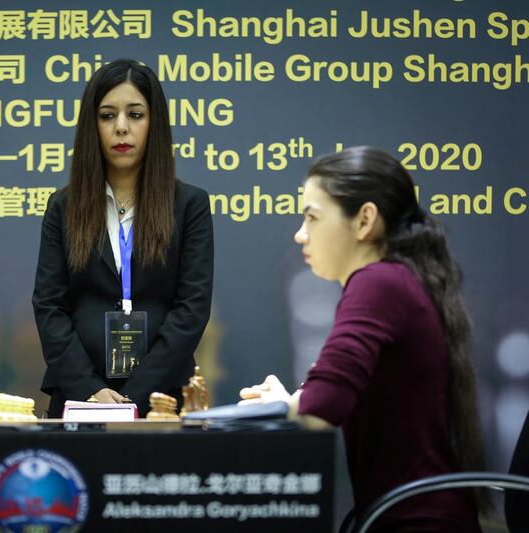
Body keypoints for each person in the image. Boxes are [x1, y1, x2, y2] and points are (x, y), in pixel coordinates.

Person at [239, 147, 487, 531]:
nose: (300, 233)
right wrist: (287, 402)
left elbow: (324, 405)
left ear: (364, 220)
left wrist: (285, 406)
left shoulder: (377, 283)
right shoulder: (397, 279)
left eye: (312, 217)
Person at [32, 59, 214, 418]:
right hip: (79, 398)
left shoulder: (189, 205)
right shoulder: (63, 206)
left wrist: (137, 394)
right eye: (106, 115)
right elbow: (49, 307)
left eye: (135, 115)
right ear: (92, 125)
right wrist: (90, 389)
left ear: (154, 123)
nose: (120, 128)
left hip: (162, 399)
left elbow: (191, 309)